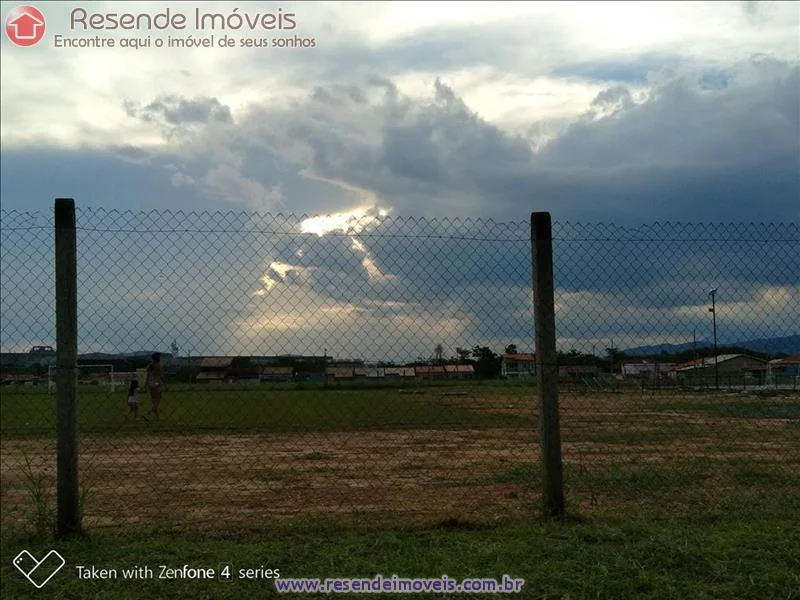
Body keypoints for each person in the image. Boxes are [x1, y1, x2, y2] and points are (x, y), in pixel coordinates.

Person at [144, 352, 166, 420]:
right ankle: (148, 413)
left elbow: (147, 376)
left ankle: (157, 417)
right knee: (158, 400)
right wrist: (164, 384)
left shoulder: (149, 366)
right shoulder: (159, 366)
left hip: (150, 383)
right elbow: (161, 376)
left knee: (153, 400)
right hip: (157, 383)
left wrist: (145, 384)